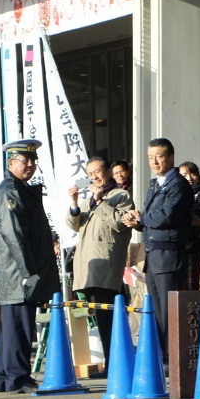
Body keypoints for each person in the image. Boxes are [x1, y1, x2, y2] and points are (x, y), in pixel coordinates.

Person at [0, 140, 60, 394]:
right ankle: (17, 377)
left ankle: (4, 376)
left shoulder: (19, 189)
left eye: (32, 161)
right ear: (11, 164)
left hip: (16, 272)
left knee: (13, 326)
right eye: (24, 160)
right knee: (18, 326)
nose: (30, 165)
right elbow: (14, 235)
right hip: (18, 273)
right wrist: (28, 271)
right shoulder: (11, 191)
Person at [65, 157, 136, 366]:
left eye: (97, 172)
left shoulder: (121, 195)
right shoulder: (90, 200)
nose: (94, 177)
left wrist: (101, 202)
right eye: (90, 174)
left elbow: (119, 223)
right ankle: (110, 361)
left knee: (108, 316)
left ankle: (116, 364)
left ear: (108, 172)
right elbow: (73, 225)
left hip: (106, 264)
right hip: (88, 264)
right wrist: (75, 204)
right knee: (100, 315)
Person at [121, 138, 192, 343]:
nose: (154, 162)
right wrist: (136, 221)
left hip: (169, 255)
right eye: (150, 157)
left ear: (170, 157)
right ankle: (162, 355)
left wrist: (141, 218)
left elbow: (167, 215)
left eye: (159, 156)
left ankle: (173, 356)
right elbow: (153, 218)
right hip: (152, 254)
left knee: (169, 309)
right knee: (156, 308)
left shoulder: (179, 184)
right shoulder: (155, 184)